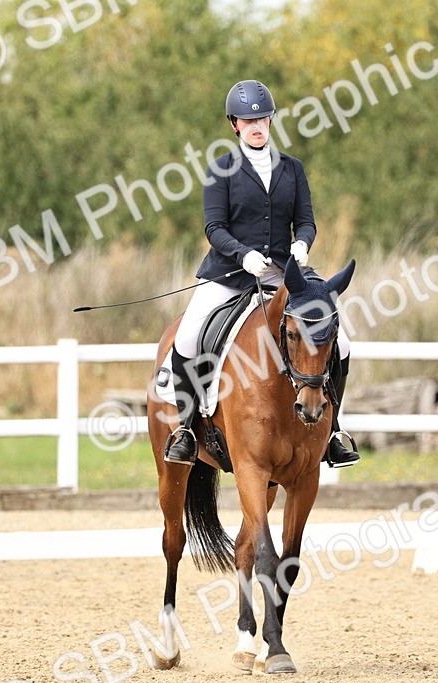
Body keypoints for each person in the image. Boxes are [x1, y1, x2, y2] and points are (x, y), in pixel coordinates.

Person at [163, 79, 359, 469]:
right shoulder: (220, 170)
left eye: (262, 118)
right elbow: (214, 228)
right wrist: (243, 254)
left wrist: (302, 244)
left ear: (270, 120)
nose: (256, 126)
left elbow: (306, 221)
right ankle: (185, 428)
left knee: (344, 341)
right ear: (234, 124)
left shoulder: (292, 169)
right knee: (187, 336)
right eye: (247, 120)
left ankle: (333, 430)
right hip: (228, 274)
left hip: (284, 276)